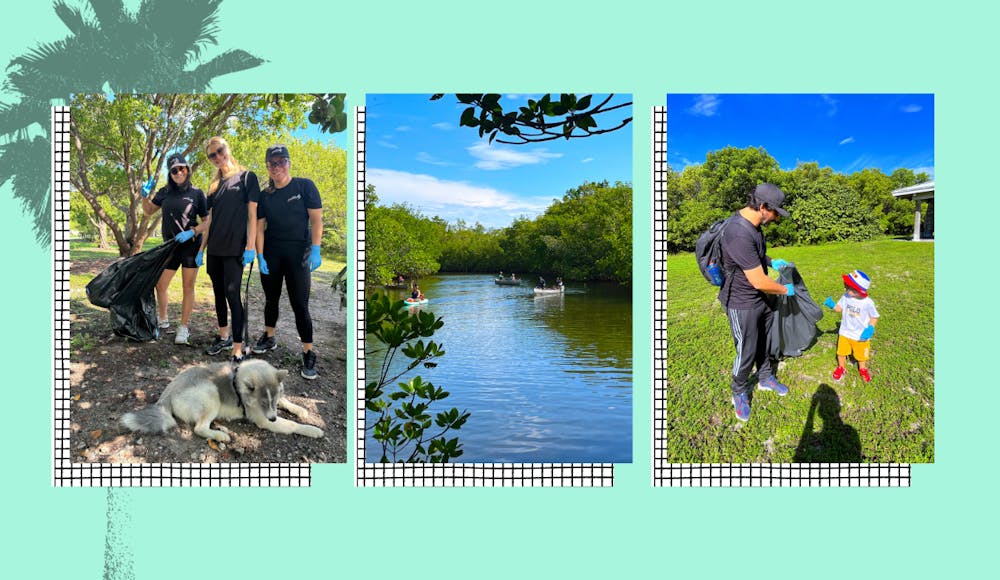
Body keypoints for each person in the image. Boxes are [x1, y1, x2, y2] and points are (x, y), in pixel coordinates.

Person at [718, 183, 795, 421]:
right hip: (741, 303)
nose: (776, 219)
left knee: (764, 340)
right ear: (763, 207)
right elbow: (759, 282)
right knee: (746, 349)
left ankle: (765, 378)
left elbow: (756, 254)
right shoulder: (737, 232)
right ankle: (739, 391)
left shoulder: (754, 226)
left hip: (760, 300)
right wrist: (784, 289)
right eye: (775, 213)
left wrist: (772, 262)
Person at [250, 145, 324, 379]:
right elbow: (260, 227)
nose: (277, 167)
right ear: (267, 167)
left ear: (289, 163)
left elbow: (316, 219)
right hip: (272, 252)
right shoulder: (265, 195)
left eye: (281, 162)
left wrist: (315, 249)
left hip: (298, 253)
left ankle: (308, 351)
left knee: (299, 304)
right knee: (271, 299)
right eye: (272, 163)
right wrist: (260, 255)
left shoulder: (304, 186)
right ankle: (269, 336)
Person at [199, 136, 259, 362]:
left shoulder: (246, 178)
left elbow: (253, 214)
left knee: (232, 294)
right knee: (217, 293)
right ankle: (223, 336)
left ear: (227, 148)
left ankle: (236, 346)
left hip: (235, 248)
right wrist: (200, 250)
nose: (217, 157)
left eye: (219, 151)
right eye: (211, 155)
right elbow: (210, 220)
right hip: (214, 248)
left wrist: (250, 246)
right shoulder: (214, 186)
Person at [140, 153, 207, 345]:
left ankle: (183, 328)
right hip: (170, 246)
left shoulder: (197, 193)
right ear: (170, 173)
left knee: (188, 287)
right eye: (174, 170)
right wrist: (144, 196)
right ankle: (163, 320)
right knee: (160, 285)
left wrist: (192, 232)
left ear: (187, 169)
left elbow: (208, 221)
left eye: (182, 168)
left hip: (190, 246)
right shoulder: (165, 191)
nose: (179, 173)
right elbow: (148, 211)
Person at [824, 270, 879, 383]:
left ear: (858, 290)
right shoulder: (846, 296)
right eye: (845, 285)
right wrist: (833, 305)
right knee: (841, 353)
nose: (845, 288)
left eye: (847, 286)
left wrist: (870, 328)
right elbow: (840, 308)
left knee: (861, 356)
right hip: (845, 332)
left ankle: (862, 369)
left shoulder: (868, 303)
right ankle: (841, 367)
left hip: (860, 335)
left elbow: (874, 317)